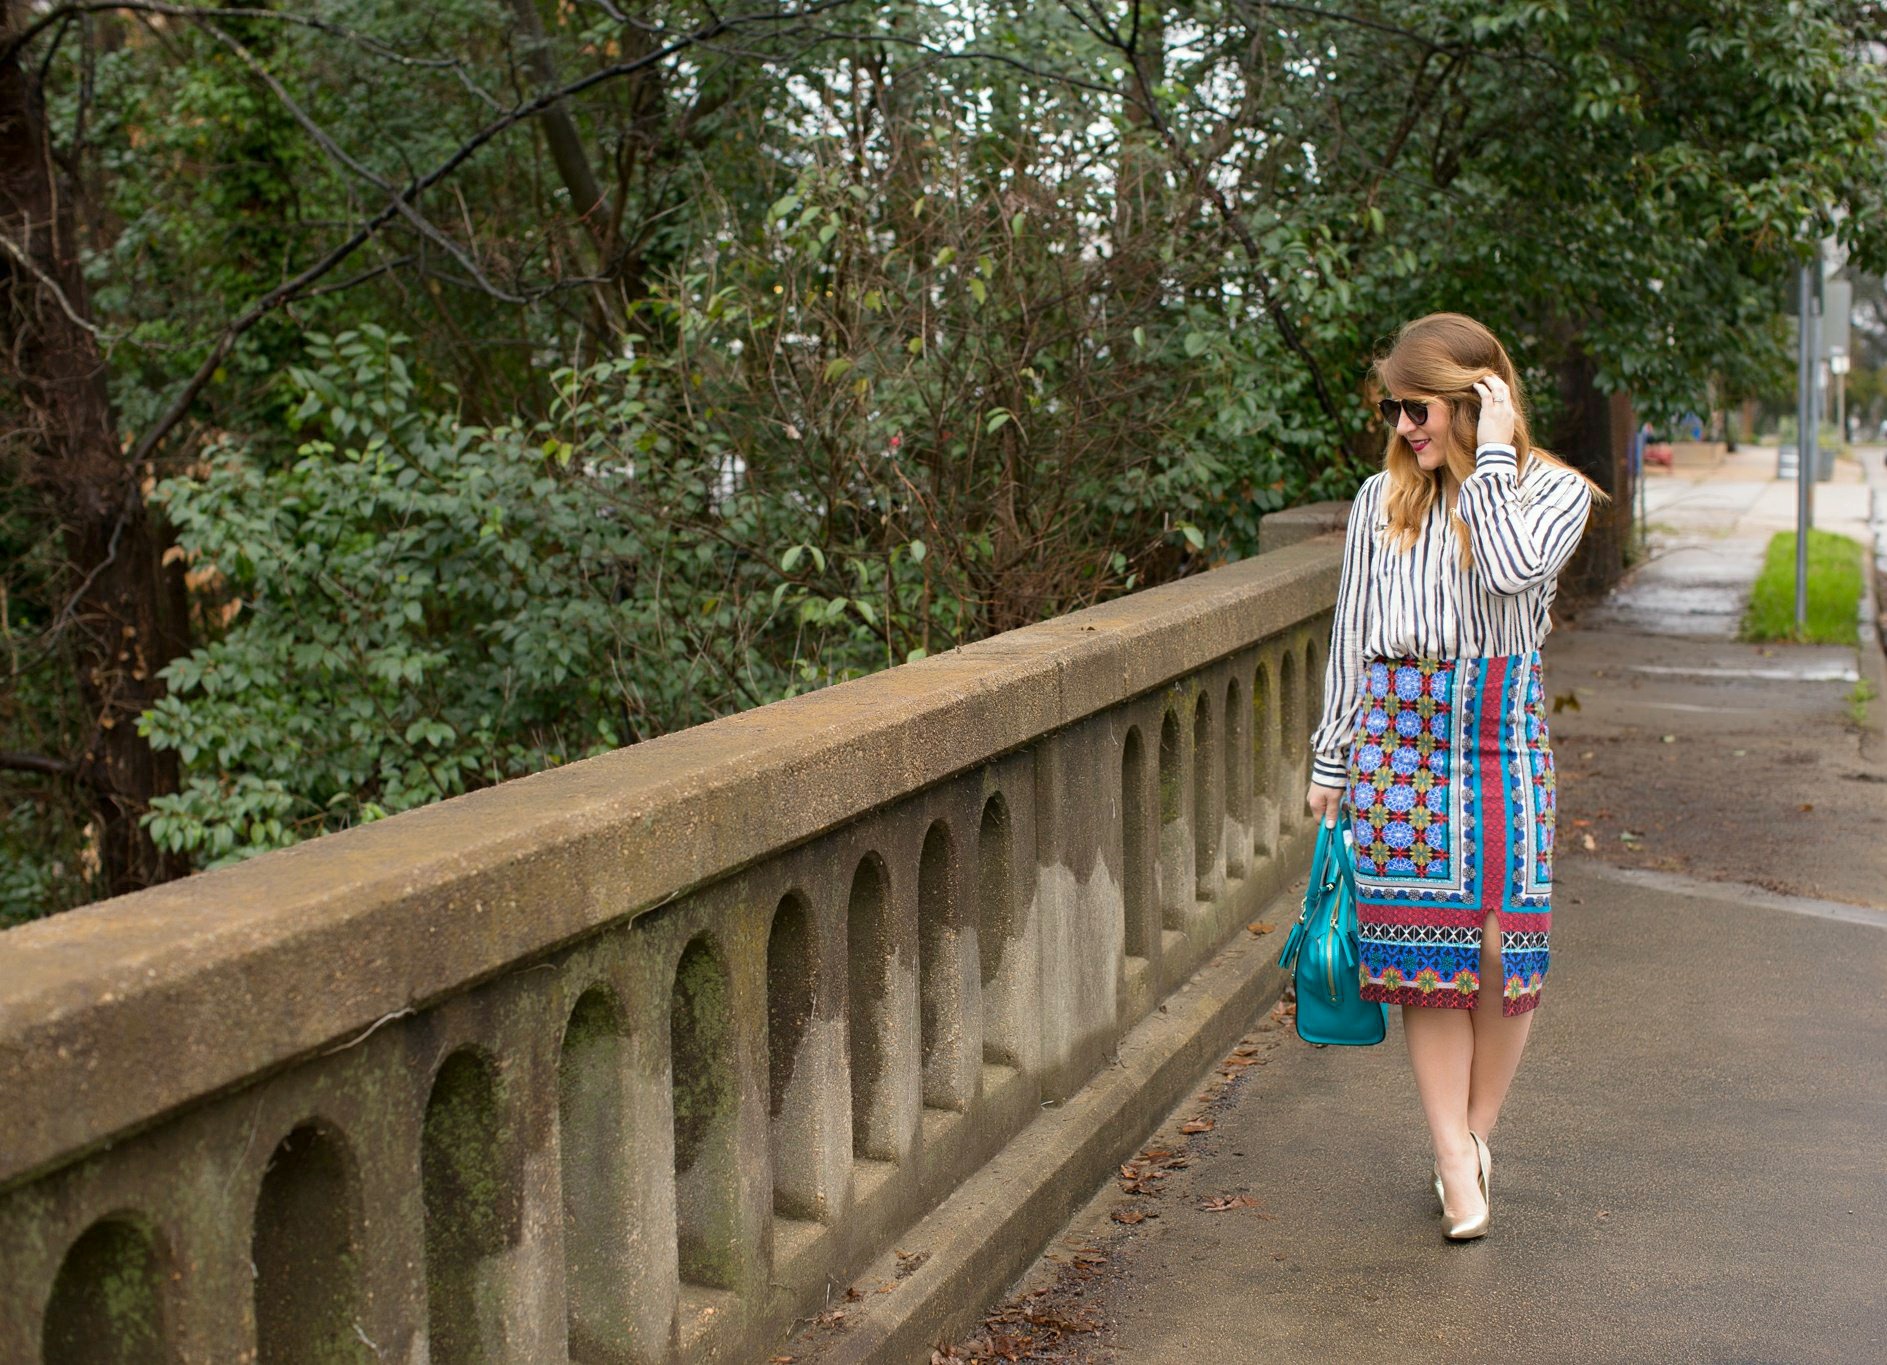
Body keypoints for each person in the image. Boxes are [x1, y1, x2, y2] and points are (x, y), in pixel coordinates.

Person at [1303, 313, 1609, 1241]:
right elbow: (1351, 635)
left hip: (1501, 732)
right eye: (1394, 408)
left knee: (1499, 951)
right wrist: (1332, 757)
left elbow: (1514, 571)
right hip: (1396, 742)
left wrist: (1495, 463)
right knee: (1425, 960)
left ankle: (1473, 1136)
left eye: (1419, 406)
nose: (1403, 426)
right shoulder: (1376, 502)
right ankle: (1451, 1158)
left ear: (1480, 398)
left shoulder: (1553, 494)